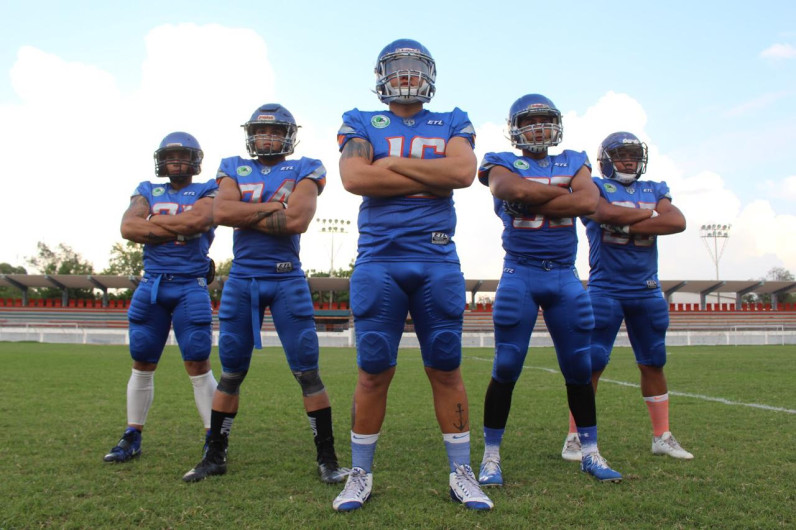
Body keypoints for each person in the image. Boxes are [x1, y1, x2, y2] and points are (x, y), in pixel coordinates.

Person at [332, 38, 493, 512]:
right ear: (382, 75)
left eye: (412, 67)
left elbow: (463, 172)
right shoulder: (360, 119)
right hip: (379, 258)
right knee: (373, 369)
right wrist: (430, 171)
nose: (405, 76)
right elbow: (356, 179)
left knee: (446, 366)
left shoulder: (452, 120)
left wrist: (394, 163)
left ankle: (461, 470)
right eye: (397, 68)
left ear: (429, 74)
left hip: (436, 257)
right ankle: (360, 472)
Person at [182, 103, 348, 485]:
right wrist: (273, 205)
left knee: (308, 372)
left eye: (275, 132)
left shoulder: (307, 166)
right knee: (231, 373)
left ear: (289, 136)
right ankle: (214, 454)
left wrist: (248, 210)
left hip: (288, 280)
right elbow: (220, 213)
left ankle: (327, 458)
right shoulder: (232, 165)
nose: (267, 138)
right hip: (242, 280)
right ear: (250, 133)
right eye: (260, 130)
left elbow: (298, 220)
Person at [476, 94, 623, 485]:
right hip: (519, 274)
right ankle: (491, 456)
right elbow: (511, 190)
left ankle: (589, 451)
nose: (539, 128)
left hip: (564, 275)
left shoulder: (574, 159)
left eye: (545, 120)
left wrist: (539, 199)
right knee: (506, 366)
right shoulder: (499, 160)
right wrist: (565, 199)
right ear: (515, 128)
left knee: (579, 367)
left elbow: (590, 200)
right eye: (530, 121)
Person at [560, 131, 692, 462]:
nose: (629, 160)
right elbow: (603, 214)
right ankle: (576, 436)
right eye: (621, 155)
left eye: (633, 154)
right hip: (606, 288)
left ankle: (662, 435)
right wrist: (649, 218)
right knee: (592, 363)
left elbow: (676, 221)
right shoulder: (597, 187)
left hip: (646, 289)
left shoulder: (654, 188)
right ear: (607, 159)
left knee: (654, 361)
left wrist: (628, 226)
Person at [104, 132, 218, 466]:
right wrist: (179, 228)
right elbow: (128, 227)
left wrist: (153, 223)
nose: (176, 162)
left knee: (197, 359)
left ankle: (214, 437)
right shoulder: (146, 190)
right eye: (170, 157)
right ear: (161, 161)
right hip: (152, 285)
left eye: (182, 156)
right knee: (141, 358)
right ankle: (132, 435)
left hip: (189, 285)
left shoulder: (208, 189)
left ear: (194, 161)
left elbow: (199, 221)